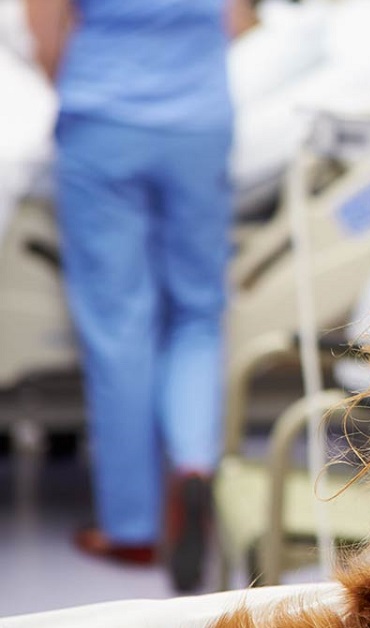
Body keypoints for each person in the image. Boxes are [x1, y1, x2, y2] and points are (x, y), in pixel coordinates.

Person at [26, 0, 256, 592]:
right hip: (200, 122)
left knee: (119, 324)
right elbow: (235, 22)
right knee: (198, 313)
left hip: (104, 118)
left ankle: (132, 529)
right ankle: (194, 465)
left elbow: (45, 34)